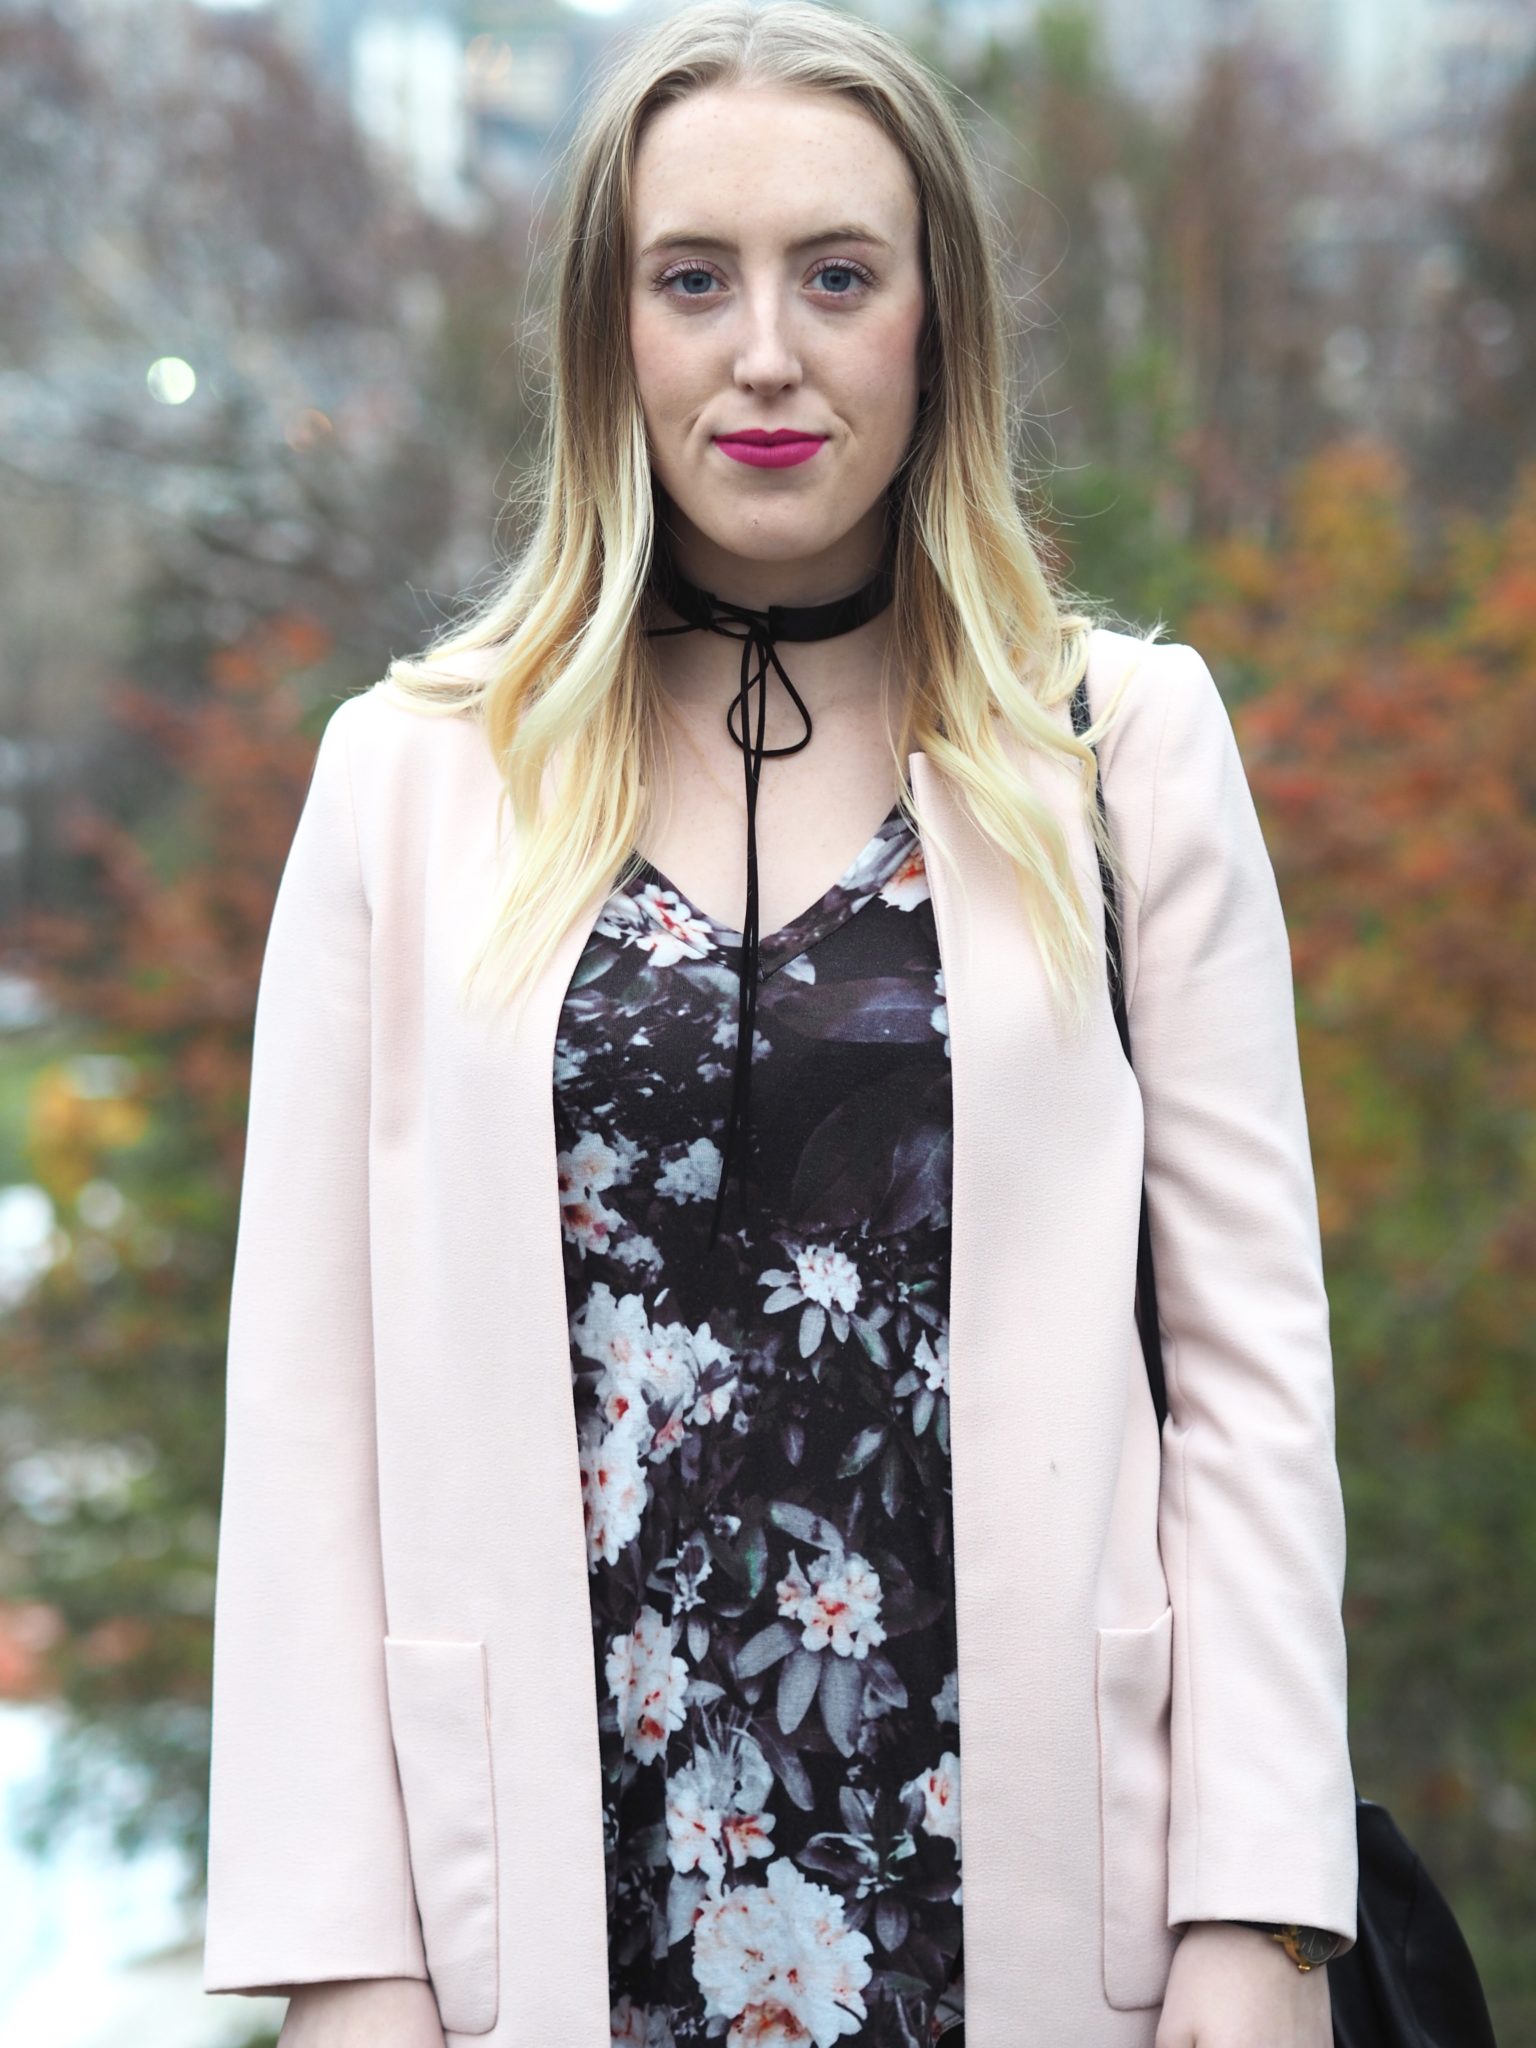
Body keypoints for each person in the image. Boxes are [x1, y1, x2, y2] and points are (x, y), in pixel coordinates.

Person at [200, 5, 1359, 2045]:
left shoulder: (1123, 752)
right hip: (549, 1904)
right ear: (606, 337)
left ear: (937, 325)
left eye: (838, 276)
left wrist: (1251, 1919)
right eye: (692, 280)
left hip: (1026, 1890)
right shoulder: (405, 780)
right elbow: (309, 1420)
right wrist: (345, 1960)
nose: (765, 352)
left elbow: (1256, 1376)